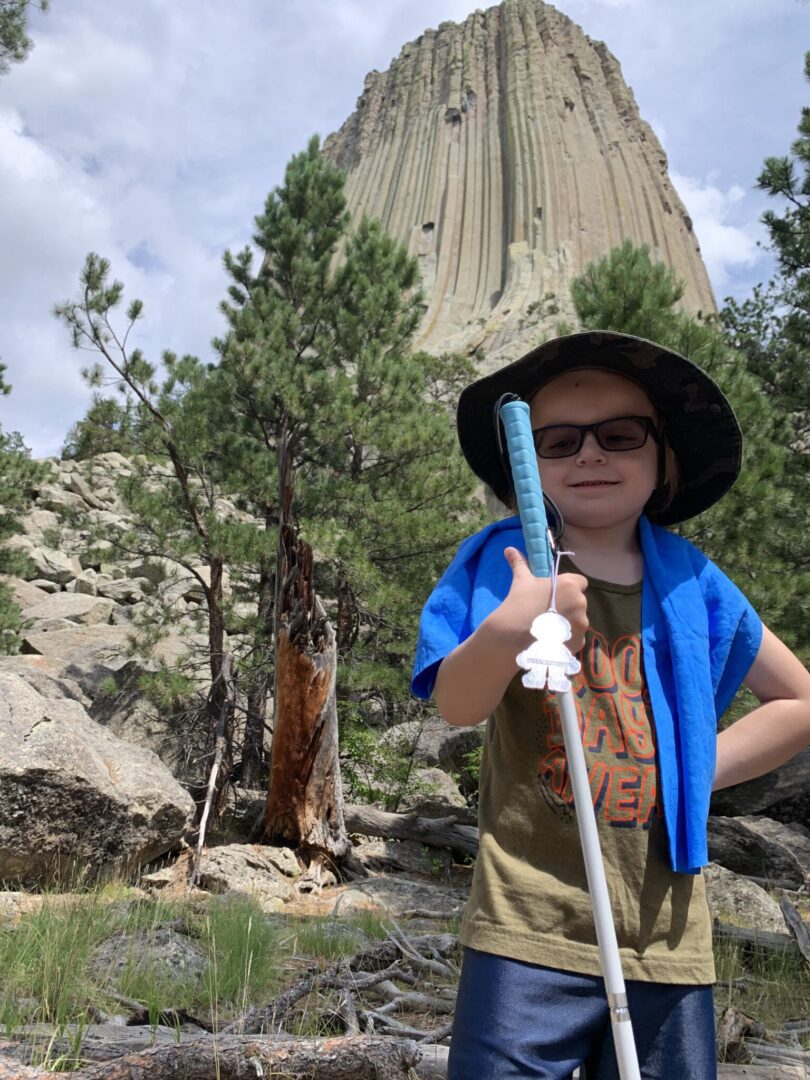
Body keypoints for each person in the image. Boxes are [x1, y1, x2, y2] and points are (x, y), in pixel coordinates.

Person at [411, 331, 810, 1080]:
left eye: (620, 436)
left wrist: (688, 772)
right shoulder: (507, 567)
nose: (590, 456)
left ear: (663, 459)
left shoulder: (694, 582)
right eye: (559, 443)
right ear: (526, 470)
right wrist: (509, 624)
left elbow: (798, 701)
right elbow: (459, 705)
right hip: (526, 926)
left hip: (665, 937)